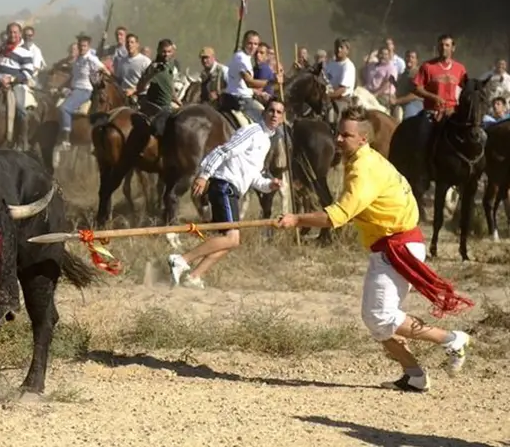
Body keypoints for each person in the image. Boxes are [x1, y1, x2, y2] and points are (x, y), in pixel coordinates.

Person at [276, 105, 473, 392]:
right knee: (378, 320)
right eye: (338, 133)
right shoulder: (362, 159)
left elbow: (336, 217)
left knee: (380, 316)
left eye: (346, 135)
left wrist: (296, 219)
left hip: (397, 247)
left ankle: (452, 339)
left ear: (363, 139)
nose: (339, 139)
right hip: (391, 246)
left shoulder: (363, 170)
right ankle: (415, 375)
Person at [167, 99, 285, 289]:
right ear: (264, 113)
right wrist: (204, 175)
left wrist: (269, 185)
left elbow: (253, 176)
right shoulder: (253, 132)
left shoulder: (265, 142)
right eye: (271, 110)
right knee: (231, 237)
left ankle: (194, 276)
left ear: (282, 118)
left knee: (231, 241)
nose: (274, 115)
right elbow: (224, 150)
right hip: (224, 186)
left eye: (279, 112)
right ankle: (181, 260)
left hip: (233, 189)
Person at [412, 34, 468, 178]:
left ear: (453, 48)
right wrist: (433, 97)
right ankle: (421, 169)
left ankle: (468, 170)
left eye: (447, 45)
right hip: (432, 111)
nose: (444, 48)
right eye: (441, 45)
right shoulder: (427, 66)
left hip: (453, 112)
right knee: (422, 136)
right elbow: (417, 88)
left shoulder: (460, 69)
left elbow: (466, 90)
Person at [57, 34, 110, 151]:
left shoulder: (91, 58)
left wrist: (99, 77)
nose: (82, 48)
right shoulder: (78, 59)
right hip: (73, 89)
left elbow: (105, 70)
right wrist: (61, 88)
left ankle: (66, 140)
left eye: (84, 46)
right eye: (80, 46)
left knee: (64, 108)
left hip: (84, 90)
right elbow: (73, 77)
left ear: (88, 46)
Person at [0, 21, 35, 148]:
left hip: (14, 87)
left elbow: (28, 73)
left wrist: (11, 79)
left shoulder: (25, 52)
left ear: (20, 34)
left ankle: (21, 141)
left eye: (15, 32)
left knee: (21, 111)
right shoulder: (2, 49)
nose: (12, 35)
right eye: (10, 32)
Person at [324, 37, 357, 117]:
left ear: (347, 50)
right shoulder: (330, 65)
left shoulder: (348, 66)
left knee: (331, 115)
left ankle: (333, 129)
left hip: (341, 100)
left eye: (342, 47)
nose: (338, 49)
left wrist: (327, 96)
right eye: (337, 47)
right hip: (328, 98)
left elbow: (342, 89)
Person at [116, 33, 151, 101]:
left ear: (137, 44)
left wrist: (134, 90)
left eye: (132, 42)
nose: (129, 45)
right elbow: (119, 80)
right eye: (127, 42)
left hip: (140, 96)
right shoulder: (122, 61)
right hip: (123, 95)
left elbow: (148, 82)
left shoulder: (145, 61)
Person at [391, 50, 424, 120]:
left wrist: (397, 101)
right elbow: (403, 90)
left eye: (412, 57)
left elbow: (415, 94)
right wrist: (394, 83)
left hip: (415, 103)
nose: (409, 59)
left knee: (407, 120)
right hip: (402, 102)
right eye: (408, 57)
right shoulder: (404, 74)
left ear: (417, 60)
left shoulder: (417, 74)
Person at [364, 46, 398, 113]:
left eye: (385, 54)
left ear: (389, 56)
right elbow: (362, 73)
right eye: (381, 54)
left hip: (384, 95)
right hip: (369, 92)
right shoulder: (371, 65)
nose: (383, 56)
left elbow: (388, 83)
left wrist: (376, 94)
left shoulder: (392, 68)